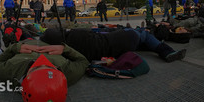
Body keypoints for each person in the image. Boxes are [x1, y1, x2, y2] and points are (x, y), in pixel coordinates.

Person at [0, 39, 89, 101]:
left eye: (36, 67)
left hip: (24, 41)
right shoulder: (69, 72)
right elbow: (83, 61)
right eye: (50, 67)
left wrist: (16, 47)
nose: (42, 61)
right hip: (46, 40)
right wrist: (64, 49)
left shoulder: (11, 72)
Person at [40, 28, 186, 63]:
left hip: (116, 49)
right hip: (120, 40)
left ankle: (148, 42)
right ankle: (166, 52)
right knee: (143, 33)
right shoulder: (76, 34)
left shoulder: (70, 52)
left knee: (140, 39)